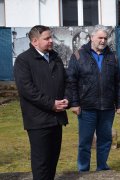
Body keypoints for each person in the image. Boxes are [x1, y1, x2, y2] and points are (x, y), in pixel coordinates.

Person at [66, 25, 120, 172]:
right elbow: (71, 81)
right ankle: (83, 170)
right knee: (85, 142)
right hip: (86, 107)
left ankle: (102, 167)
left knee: (105, 140)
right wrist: (74, 103)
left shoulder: (113, 57)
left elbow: (118, 82)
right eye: (100, 37)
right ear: (92, 37)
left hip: (107, 107)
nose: (103, 41)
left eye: (105, 38)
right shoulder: (78, 55)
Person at [13, 25, 69, 180]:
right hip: (38, 120)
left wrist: (67, 100)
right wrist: (52, 104)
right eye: (47, 38)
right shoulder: (23, 60)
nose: (51, 41)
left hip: (56, 119)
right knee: (41, 163)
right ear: (34, 41)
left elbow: (66, 82)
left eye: (51, 37)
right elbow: (27, 90)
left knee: (52, 161)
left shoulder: (55, 58)